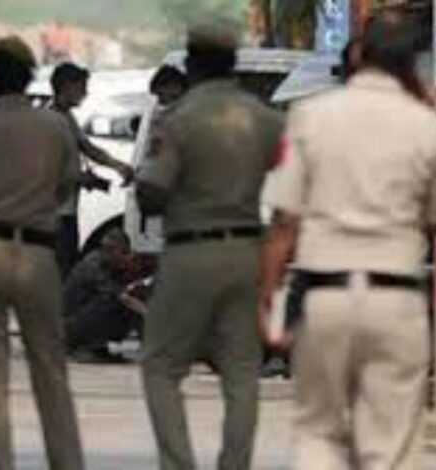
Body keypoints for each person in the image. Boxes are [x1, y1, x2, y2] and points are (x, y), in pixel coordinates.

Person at [258, 12, 436, 469]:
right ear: (414, 61)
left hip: (324, 298)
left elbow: (285, 221)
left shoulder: (311, 116)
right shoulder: (429, 126)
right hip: (396, 299)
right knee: (391, 445)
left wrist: (266, 297)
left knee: (318, 435)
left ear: (359, 55)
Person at [136, 24, 285, 470]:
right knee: (241, 372)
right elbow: (288, 186)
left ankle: (178, 463)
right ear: (233, 63)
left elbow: (152, 192)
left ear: (191, 65)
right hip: (247, 251)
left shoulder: (177, 119)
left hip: (190, 251)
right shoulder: (266, 118)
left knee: (161, 366)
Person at [0, 36, 84, 470]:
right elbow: (66, 184)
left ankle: (1, 462)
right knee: (50, 368)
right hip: (36, 251)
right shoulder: (56, 127)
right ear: (31, 77)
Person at [50, 62, 134, 278]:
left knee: (67, 266)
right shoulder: (51, 120)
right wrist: (81, 178)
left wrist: (118, 165)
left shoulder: (66, 117)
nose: (85, 93)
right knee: (61, 272)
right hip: (54, 213)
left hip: (67, 210)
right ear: (66, 86)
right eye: (82, 87)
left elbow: (88, 148)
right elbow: (48, 167)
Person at [65, 229, 143, 363]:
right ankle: (86, 347)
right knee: (113, 300)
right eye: (123, 252)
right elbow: (120, 297)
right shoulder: (92, 264)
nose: (126, 256)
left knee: (128, 301)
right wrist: (148, 313)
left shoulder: (112, 265)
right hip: (70, 327)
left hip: (81, 318)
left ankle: (99, 347)